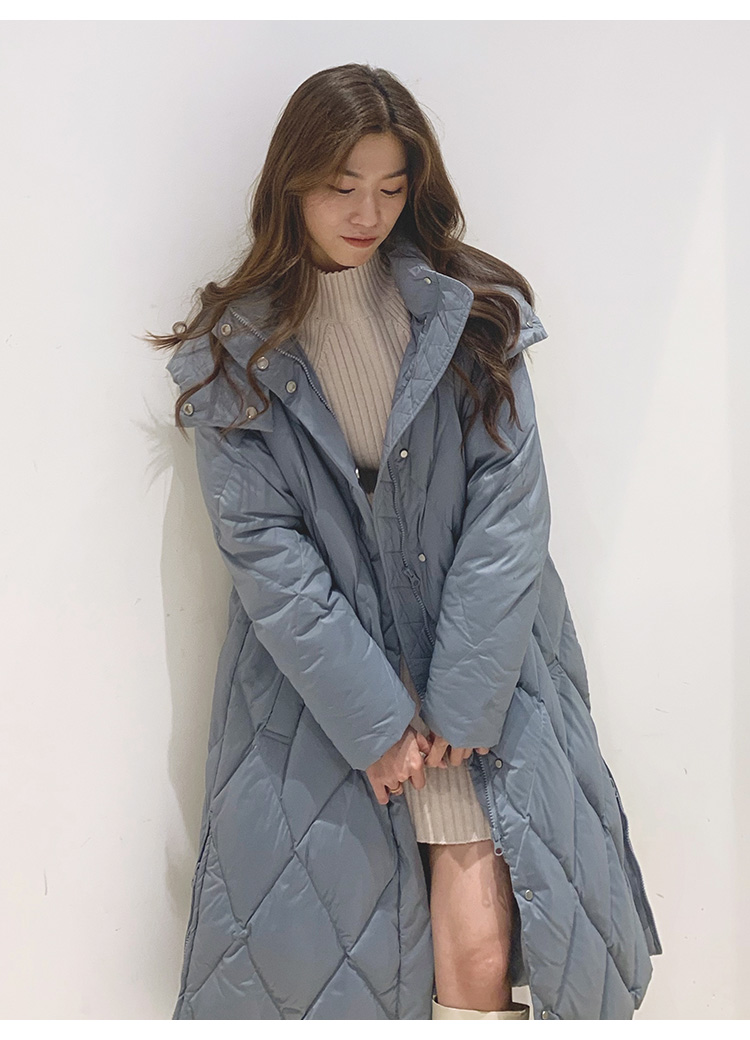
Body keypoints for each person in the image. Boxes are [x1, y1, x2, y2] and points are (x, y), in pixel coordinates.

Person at [147, 63, 662, 1021]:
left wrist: (465, 694)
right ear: (291, 184)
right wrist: (375, 718)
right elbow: (265, 552)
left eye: (390, 187)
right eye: (342, 186)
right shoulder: (236, 352)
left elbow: (511, 509)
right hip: (326, 685)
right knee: (341, 958)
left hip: (477, 664)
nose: (367, 213)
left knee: (483, 940)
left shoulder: (469, 313)